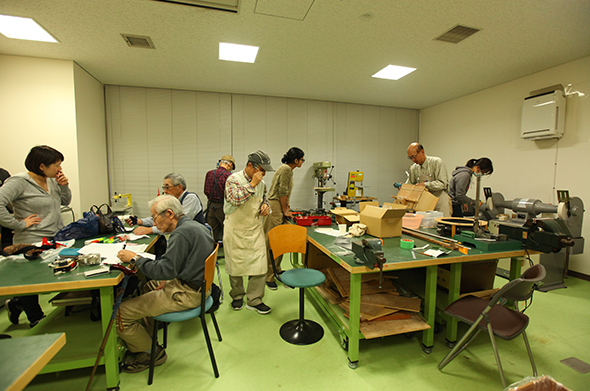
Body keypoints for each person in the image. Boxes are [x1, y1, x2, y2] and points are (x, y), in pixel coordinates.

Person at [116, 195, 215, 373]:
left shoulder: (180, 234)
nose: (154, 221)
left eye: (154, 217)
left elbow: (164, 271)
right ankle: (148, 338)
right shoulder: (195, 226)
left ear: (169, 213)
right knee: (147, 287)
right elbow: (175, 268)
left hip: (187, 294)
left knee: (120, 313)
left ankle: (151, 353)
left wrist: (135, 259)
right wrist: (168, 279)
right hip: (199, 286)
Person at [0, 146, 71, 327]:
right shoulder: (18, 182)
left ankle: (16, 304)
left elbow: (64, 202)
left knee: (48, 277)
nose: (60, 169)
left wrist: (64, 186)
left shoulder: (52, 180)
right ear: (41, 166)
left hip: (54, 236)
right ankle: (35, 318)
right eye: (56, 165)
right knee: (30, 283)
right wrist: (19, 224)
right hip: (30, 238)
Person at [224, 150, 273, 314]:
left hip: (254, 229)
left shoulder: (263, 184)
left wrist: (266, 207)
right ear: (250, 166)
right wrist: (252, 184)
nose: (264, 173)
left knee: (259, 266)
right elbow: (235, 199)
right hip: (235, 230)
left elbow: (264, 199)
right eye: (261, 169)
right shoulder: (233, 179)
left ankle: (255, 299)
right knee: (235, 266)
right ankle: (237, 296)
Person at [263, 147, 305, 290]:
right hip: (275, 207)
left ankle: (277, 269)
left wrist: (286, 206)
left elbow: (284, 192)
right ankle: (269, 275)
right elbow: (282, 191)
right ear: (296, 160)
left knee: (279, 242)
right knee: (273, 242)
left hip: (277, 205)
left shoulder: (286, 169)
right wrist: (285, 210)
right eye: (302, 160)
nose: (302, 162)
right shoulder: (286, 169)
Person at [127, 173, 205, 235]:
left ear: (179, 187)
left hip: (194, 238)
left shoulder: (191, 198)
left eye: (167, 187)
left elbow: (178, 224)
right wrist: (140, 221)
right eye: (164, 188)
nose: (165, 191)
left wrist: (149, 230)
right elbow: (160, 218)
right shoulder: (171, 201)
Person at [406, 142, 451, 217]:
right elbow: (410, 183)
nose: (413, 160)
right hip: (424, 202)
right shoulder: (414, 168)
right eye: (410, 158)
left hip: (439, 201)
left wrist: (425, 185)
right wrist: (405, 188)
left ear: (422, 152)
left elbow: (442, 184)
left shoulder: (436, 162)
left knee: (441, 224)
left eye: (414, 156)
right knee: (425, 224)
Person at [203, 155, 235, 242]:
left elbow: (206, 191)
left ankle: (212, 251)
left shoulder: (209, 173)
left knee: (211, 232)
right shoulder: (229, 176)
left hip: (210, 206)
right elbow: (230, 195)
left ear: (220, 163)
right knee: (227, 230)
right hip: (223, 207)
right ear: (230, 165)